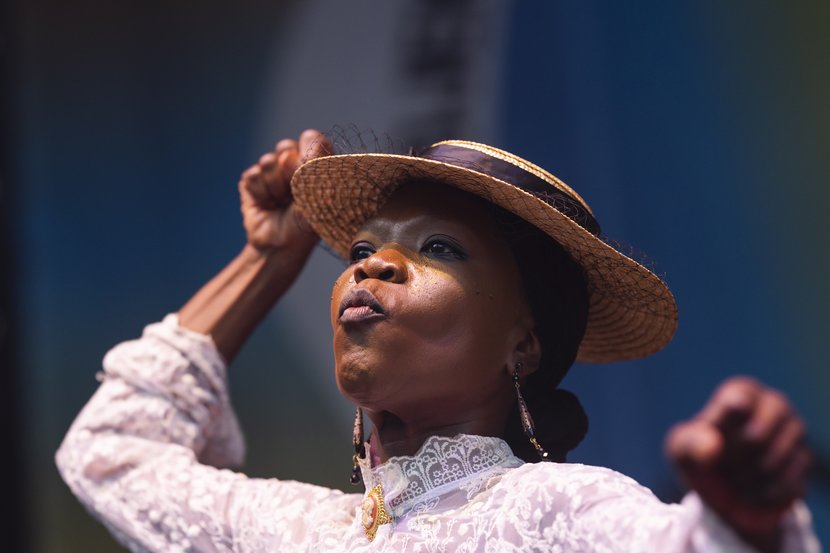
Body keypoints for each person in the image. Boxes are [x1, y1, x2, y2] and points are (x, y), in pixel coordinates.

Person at [57, 130, 819, 552]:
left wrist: (748, 523)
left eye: (440, 249)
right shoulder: (294, 531)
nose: (372, 264)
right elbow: (112, 449)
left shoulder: (551, 511)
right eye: (361, 249)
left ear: (523, 344)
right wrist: (268, 261)